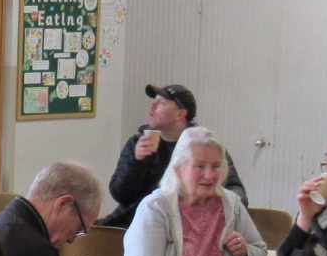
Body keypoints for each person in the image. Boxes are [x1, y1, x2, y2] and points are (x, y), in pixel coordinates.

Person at [103, 128, 266, 256]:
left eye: (216, 166)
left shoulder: (230, 204)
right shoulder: (156, 207)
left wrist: (244, 252)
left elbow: (259, 250)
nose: (209, 175)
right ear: (178, 169)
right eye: (200, 166)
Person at [101, 83, 246, 229]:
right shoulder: (137, 143)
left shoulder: (205, 147)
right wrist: (136, 161)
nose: (153, 107)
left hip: (187, 226)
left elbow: (237, 193)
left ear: (180, 114)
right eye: (154, 102)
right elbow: (120, 195)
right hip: (132, 222)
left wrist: (210, 209)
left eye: (161, 103)